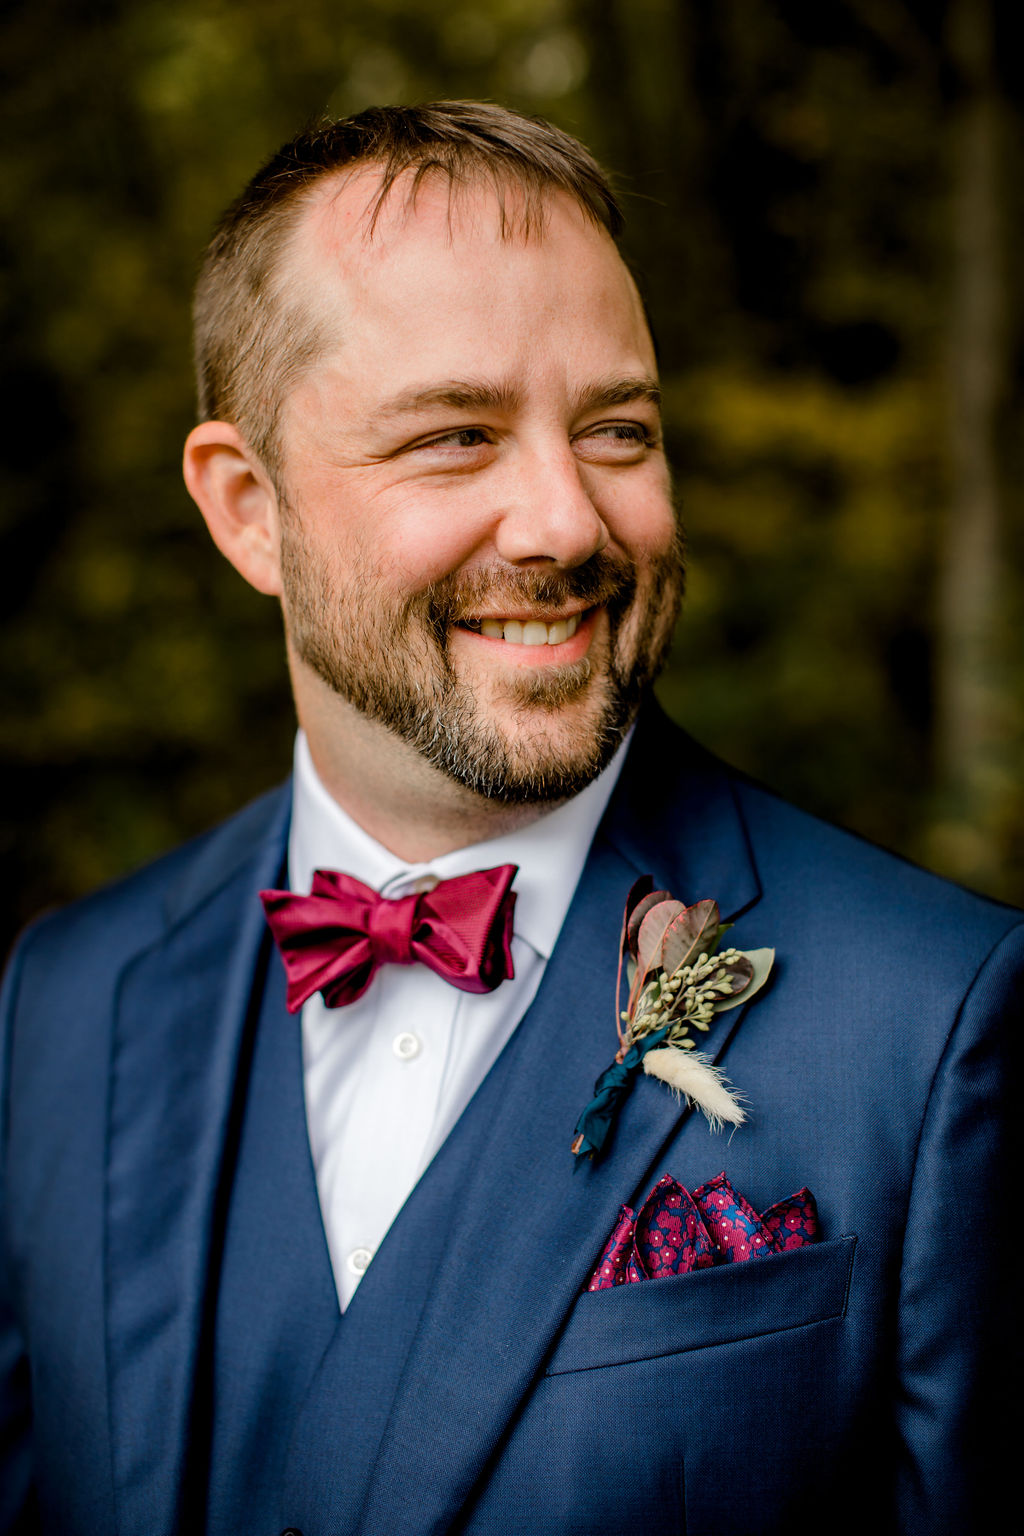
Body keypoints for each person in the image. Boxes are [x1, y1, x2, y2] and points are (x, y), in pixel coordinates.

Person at [0, 101, 1019, 1536]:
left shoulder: (935, 1020)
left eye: (617, 429)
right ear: (248, 509)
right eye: (456, 435)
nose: (565, 523)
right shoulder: (61, 1002)